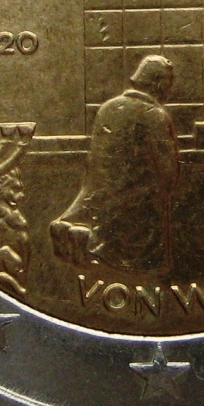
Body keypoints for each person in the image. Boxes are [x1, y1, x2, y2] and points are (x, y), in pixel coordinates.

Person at [50, 55, 179, 272]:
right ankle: (88, 242)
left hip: (104, 200)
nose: (169, 89)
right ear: (158, 83)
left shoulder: (108, 108)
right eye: (168, 83)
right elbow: (168, 172)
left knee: (108, 248)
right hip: (141, 206)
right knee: (139, 262)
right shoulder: (155, 115)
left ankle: (82, 236)